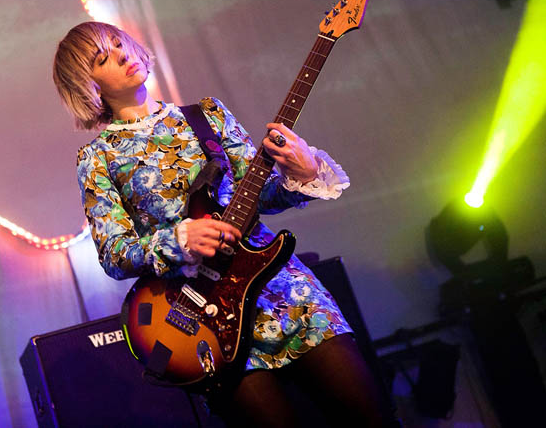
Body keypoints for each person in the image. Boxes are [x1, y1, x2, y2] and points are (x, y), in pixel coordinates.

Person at [53, 21, 395, 427]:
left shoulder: (206, 114)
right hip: (208, 322)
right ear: (87, 86)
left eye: (119, 43)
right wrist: (180, 240)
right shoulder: (98, 157)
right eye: (103, 57)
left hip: (287, 294)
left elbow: (259, 194)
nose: (123, 54)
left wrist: (303, 171)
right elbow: (114, 255)